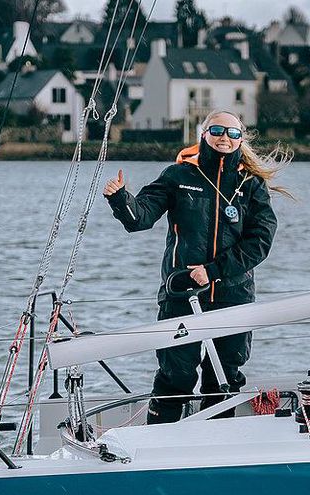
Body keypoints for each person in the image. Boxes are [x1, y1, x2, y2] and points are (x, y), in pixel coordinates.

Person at [103, 110, 290, 424]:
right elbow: (140, 218)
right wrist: (120, 199)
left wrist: (213, 270)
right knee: (176, 374)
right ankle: (158, 439)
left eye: (232, 133)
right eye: (217, 130)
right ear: (204, 134)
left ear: (241, 140)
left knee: (225, 374)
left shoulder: (251, 185)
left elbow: (260, 241)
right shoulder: (178, 176)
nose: (224, 138)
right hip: (181, 294)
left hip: (233, 295)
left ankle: (214, 440)